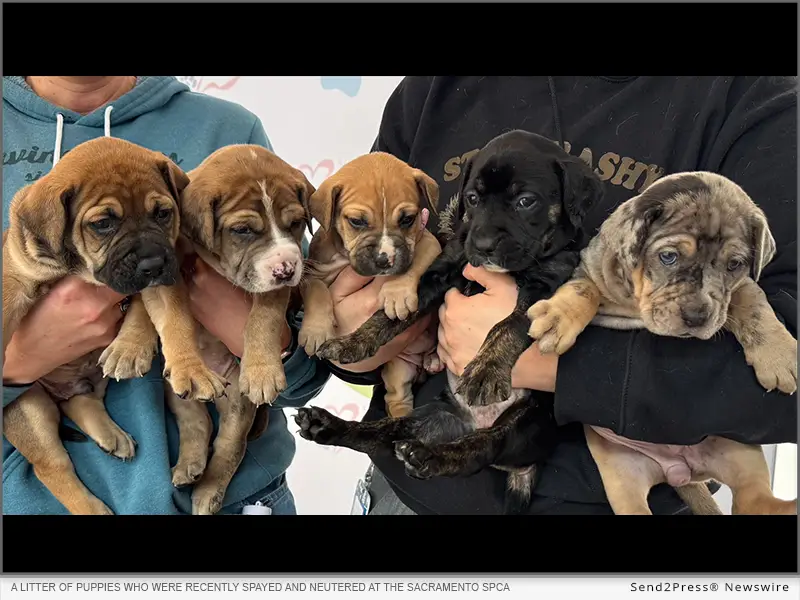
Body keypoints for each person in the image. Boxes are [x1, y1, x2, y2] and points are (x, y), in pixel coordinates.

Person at [325, 76, 798, 515]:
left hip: (630, 497)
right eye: (473, 201)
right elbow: (345, 296)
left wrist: (560, 365)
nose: (485, 235)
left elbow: (784, 383)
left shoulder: (759, 100)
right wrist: (355, 335)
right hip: (409, 490)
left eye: (526, 202)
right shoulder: (434, 87)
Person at [2, 76, 330, 515]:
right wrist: (20, 364)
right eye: (103, 223)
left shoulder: (225, 130)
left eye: (163, 214)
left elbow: (306, 367)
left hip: (236, 501)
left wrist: (249, 331)